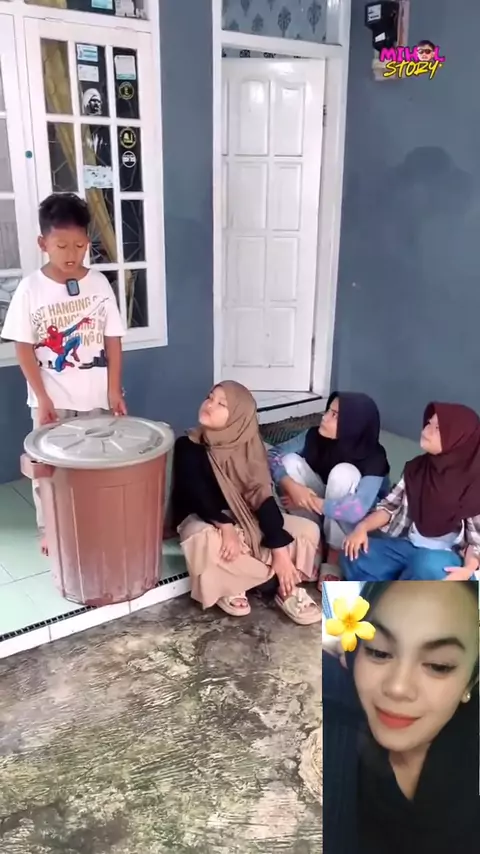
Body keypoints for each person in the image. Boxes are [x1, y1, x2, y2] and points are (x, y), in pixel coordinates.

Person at [1, 193, 126, 554]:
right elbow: (23, 346)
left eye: (80, 245)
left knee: (97, 462)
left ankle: (93, 521)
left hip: (96, 398)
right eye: (61, 246)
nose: (71, 254)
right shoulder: (30, 289)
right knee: (49, 469)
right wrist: (42, 398)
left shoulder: (99, 284)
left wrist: (114, 389)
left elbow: (112, 339)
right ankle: (51, 529)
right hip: (52, 401)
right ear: (43, 244)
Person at [322, 580, 480, 854]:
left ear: (471, 681)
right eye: (379, 652)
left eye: (439, 666)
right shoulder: (334, 724)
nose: (398, 687)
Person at [170, 381, 322, 625]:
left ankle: (253, 579)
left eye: (221, 404)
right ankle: (278, 584)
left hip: (246, 518)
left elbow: (262, 498)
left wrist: (280, 552)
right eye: (210, 397)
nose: (210, 405)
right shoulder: (188, 445)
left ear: (238, 418)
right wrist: (225, 526)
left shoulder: (250, 448)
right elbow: (196, 494)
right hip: (205, 519)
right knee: (205, 540)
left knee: (308, 530)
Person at [342, 402, 480, 582]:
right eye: (429, 423)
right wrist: (362, 528)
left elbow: (476, 542)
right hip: (408, 547)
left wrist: (468, 570)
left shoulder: (474, 482)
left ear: (458, 439)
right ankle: (404, 584)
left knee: (425, 565)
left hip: (444, 557)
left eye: (437, 428)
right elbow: (389, 507)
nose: (426, 430)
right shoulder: (416, 468)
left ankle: (397, 587)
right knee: (352, 552)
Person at [267, 392, 390, 581]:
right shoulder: (314, 435)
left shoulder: (374, 456)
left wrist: (306, 500)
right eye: (328, 411)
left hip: (355, 525)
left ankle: (334, 553)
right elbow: (273, 455)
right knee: (289, 461)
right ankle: (314, 542)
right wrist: (290, 486)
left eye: (335, 415)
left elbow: (356, 510)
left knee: (344, 473)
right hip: (324, 508)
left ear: (353, 423)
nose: (324, 417)